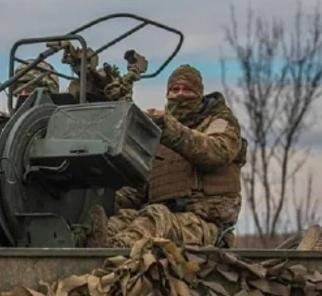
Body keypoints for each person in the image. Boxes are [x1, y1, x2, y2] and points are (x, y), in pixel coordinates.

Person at [79, 64, 248, 249]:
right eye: (175, 89)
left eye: (187, 90)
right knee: (123, 220)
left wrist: (170, 129)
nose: (180, 94)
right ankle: (92, 246)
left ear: (199, 95)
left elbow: (216, 153)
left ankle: (111, 249)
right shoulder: (161, 136)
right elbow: (140, 190)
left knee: (156, 218)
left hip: (206, 226)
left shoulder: (220, 122)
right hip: (164, 218)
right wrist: (103, 200)